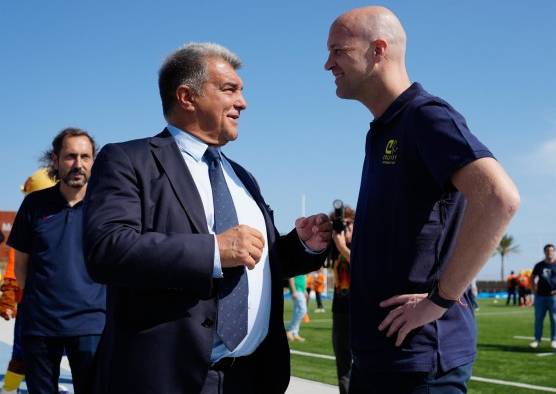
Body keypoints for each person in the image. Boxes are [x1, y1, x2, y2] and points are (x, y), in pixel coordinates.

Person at [83, 43, 331, 394]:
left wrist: (302, 246)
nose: (242, 103)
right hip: (166, 378)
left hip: (253, 377)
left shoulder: (243, 177)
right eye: (230, 90)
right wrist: (213, 251)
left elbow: (259, 260)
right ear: (187, 97)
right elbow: (106, 251)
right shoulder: (128, 160)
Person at [324, 6, 520, 393]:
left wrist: (439, 300)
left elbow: (500, 198)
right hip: (380, 358)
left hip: (419, 365)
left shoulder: (424, 116)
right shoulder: (384, 128)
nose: (327, 63)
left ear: (378, 50)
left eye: (338, 51)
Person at [7, 129, 106, 394]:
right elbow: (21, 265)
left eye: (85, 156)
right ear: (56, 159)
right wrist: (38, 302)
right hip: (40, 325)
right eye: (70, 156)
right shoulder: (34, 205)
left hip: (92, 324)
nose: (78, 164)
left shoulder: (105, 206)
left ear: (94, 161)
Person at [0, 168, 57, 394]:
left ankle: (18, 386)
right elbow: (14, 268)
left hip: (57, 301)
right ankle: (10, 387)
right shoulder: (29, 225)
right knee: (24, 349)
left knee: (49, 350)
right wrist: (8, 298)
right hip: (32, 302)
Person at [330, 206, 354, 394]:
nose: (346, 228)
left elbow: (365, 266)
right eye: (342, 224)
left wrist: (343, 248)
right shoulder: (333, 247)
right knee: (343, 366)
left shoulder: (364, 244)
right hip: (340, 311)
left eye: (350, 223)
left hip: (362, 312)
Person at [529, 244, 556, 349]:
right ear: (544, 252)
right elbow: (532, 278)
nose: (549, 253)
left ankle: (554, 340)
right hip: (540, 297)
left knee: (554, 319)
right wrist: (534, 289)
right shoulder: (539, 265)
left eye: (551, 250)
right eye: (547, 251)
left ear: (554, 252)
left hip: (553, 297)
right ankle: (537, 340)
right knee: (538, 319)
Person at [286, 275, 308, 342]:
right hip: (296, 290)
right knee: (302, 310)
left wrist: (304, 290)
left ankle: (295, 333)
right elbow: (291, 277)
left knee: (297, 311)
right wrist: (293, 290)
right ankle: (289, 329)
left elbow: (303, 278)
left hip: (301, 290)